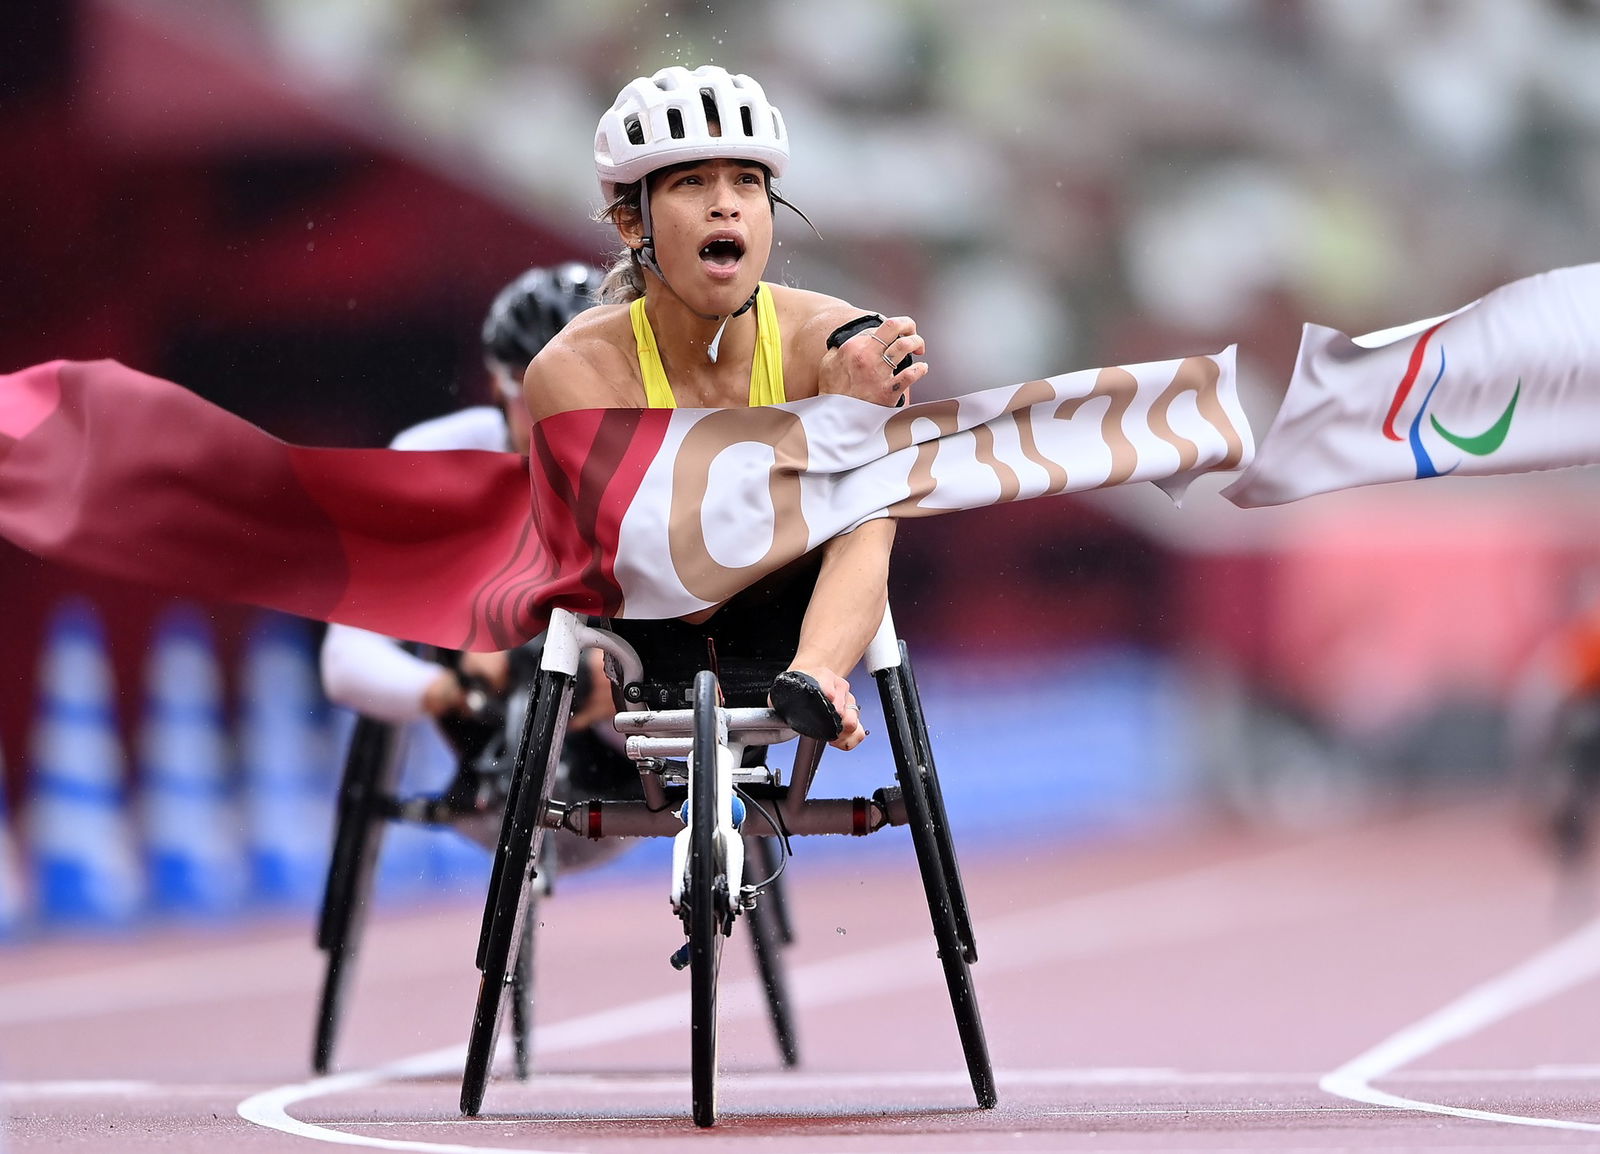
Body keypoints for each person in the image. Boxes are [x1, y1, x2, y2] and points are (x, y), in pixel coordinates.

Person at [523, 64, 930, 751]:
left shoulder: (830, 340)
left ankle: (818, 679)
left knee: (873, 495)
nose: (726, 205)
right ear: (630, 221)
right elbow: (685, 577)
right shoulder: (572, 370)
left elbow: (862, 367)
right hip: (652, 633)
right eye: (691, 182)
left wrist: (858, 408)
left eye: (747, 181)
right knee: (847, 464)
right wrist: (821, 424)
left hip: (793, 621)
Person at [320, 264, 626, 859]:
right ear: (498, 388)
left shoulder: (666, 460)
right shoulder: (429, 458)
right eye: (535, 397)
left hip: (630, 739)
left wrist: (622, 686)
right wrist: (447, 688)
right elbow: (345, 655)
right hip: (486, 716)